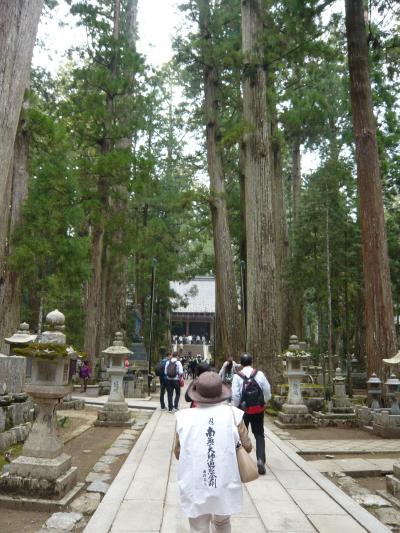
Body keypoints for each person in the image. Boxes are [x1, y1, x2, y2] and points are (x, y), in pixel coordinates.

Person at [174, 372, 252, 533]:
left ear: (196, 394)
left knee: (199, 526)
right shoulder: (234, 415)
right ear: (221, 394)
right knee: (222, 522)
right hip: (225, 478)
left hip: (195, 481)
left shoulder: (183, 417)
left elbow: (177, 452)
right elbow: (248, 447)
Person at [231, 353, 271, 475]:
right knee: (259, 434)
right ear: (252, 362)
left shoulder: (237, 376)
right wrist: (264, 401)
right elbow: (267, 390)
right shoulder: (259, 374)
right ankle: (260, 459)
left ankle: (242, 462)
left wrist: (236, 408)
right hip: (258, 409)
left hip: (243, 410)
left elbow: (236, 395)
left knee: (242, 435)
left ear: (241, 364)